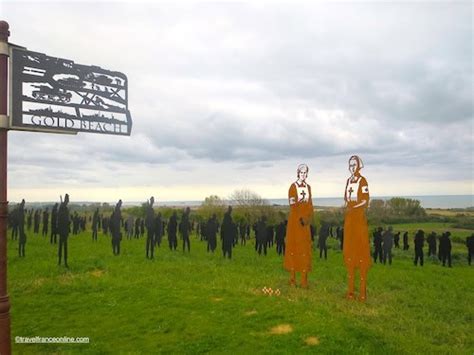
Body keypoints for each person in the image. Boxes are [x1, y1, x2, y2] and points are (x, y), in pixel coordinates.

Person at [343, 156, 370, 301]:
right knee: (350, 254)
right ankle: (350, 292)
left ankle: (363, 293)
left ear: (359, 166)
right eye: (350, 165)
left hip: (358, 219)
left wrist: (354, 207)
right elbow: (346, 198)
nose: (352, 167)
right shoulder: (348, 181)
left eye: (354, 164)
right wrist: (349, 208)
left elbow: (365, 200)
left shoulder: (362, 180)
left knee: (360, 254)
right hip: (349, 219)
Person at [284, 164, 314, 289]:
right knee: (293, 248)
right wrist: (300, 217)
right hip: (295, 223)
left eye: (305, 172)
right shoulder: (293, 187)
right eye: (301, 172)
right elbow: (293, 205)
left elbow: (310, 204)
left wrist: (307, 218)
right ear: (298, 173)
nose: (304, 175)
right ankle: (292, 279)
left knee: (304, 249)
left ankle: (304, 280)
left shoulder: (308, 187)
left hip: (305, 224)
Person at [57, 194, 71, 267]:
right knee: (61, 246)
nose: (68, 201)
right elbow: (60, 219)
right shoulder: (62, 208)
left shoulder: (65, 208)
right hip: (62, 229)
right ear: (66, 200)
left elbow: (67, 218)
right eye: (68, 199)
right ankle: (59, 261)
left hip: (65, 229)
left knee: (65, 246)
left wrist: (68, 222)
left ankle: (65, 261)